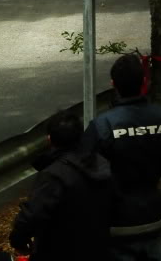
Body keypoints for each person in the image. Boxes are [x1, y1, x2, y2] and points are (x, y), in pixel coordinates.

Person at [82, 53, 161, 261]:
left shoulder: (103, 125)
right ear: (144, 82)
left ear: (113, 84)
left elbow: (84, 170)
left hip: (115, 220)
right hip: (152, 215)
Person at [10, 110, 112, 261]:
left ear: (50, 139)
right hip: (98, 249)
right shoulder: (101, 164)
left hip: (59, 251)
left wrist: (18, 240)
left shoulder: (54, 175)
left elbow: (33, 214)